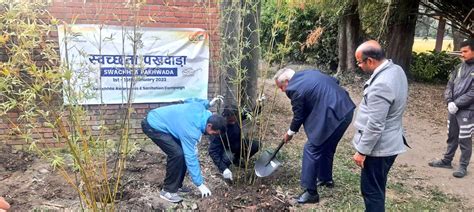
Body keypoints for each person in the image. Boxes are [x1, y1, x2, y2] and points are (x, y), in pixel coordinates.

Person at [274, 67, 355, 204]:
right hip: (345, 109)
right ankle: (325, 178)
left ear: (287, 81)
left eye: (281, 87)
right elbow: (335, 80)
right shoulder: (310, 72)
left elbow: (299, 116)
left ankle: (311, 193)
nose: (282, 91)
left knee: (311, 149)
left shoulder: (294, 89)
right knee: (327, 145)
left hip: (333, 114)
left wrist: (290, 133)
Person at [351, 40, 408, 212]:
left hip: (379, 149)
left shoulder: (381, 84)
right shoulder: (396, 70)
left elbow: (375, 125)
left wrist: (362, 151)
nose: (359, 66)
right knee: (377, 186)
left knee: (371, 191)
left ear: (370, 61)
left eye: (360, 62)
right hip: (392, 140)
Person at [141, 97, 226, 203]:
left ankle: (177, 186)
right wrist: (200, 184)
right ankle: (167, 191)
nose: (213, 136)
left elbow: (192, 101)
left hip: (163, 121)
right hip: (153, 124)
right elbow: (191, 157)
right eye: (214, 133)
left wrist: (208, 103)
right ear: (209, 126)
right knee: (177, 154)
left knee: (181, 153)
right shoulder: (191, 131)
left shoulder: (200, 109)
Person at [428, 39, 474, 178]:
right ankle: (446, 161)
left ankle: (462, 166)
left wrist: (457, 103)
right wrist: (449, 101)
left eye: (465, 51)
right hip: (453, 108)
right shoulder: (459, 67)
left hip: (467, 110)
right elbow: (449, 84)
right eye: (461, 51)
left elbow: (473, 92)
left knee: (464, 138)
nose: (462, 54)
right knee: (452, 135)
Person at [208, 104, 260, 181]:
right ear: (225, 117)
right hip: (226, 149)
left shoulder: (237, 116)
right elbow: (213, 151)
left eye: (234, 120)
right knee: (228, 157)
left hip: (238, 144)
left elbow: (251, 113)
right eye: (230, 121)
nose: (233, 122)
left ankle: (238, 159)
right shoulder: (219, 127)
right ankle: (226, 170)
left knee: (256, 145)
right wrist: (223, 168)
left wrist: (259, 105)